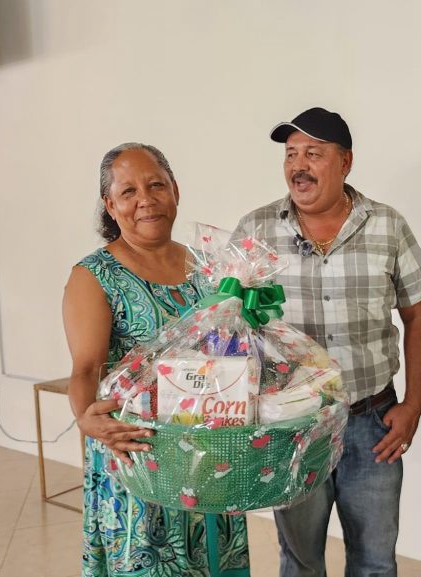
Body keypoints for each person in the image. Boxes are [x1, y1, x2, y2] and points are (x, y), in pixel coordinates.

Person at [235, 107, 421, 576]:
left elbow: (418, 315)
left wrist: (414, 404)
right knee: (300, 560)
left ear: (345, 162)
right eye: (291, 154)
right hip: (292, 424)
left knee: (375, 561)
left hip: (372, 423)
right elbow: (231, 327)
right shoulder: (256, 231)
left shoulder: (387, 225)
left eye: (313, 153)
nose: (298, 166)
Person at [62, 143, 250, 577]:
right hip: (141, 459)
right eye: (128, 192)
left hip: (210, 458)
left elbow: (234, 347)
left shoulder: (209, 267)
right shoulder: (95, 276)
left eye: (156, 185)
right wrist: (86, 418)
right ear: (110, 206)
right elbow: (86, 368)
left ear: (175, 190)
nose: (145, 200)